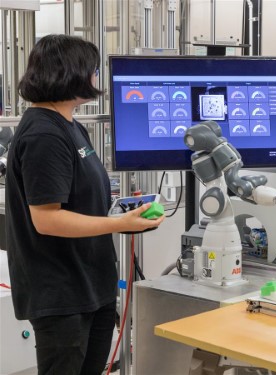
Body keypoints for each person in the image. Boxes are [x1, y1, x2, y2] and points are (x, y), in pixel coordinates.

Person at [5, 34, 165, 375]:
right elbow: (48, 220)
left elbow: (82, 198)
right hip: (61, 295)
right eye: (93, 70)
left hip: (92, 285)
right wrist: (122, 224)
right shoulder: (43, 135)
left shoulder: (71, 125)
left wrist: (127, 211)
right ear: (72, 73)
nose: (97, 77)